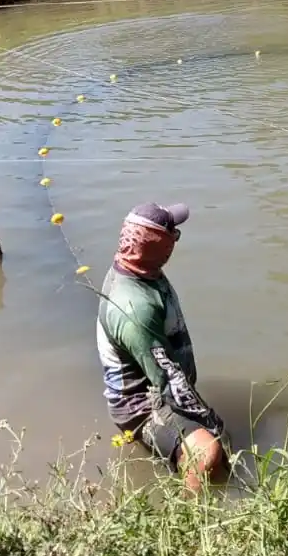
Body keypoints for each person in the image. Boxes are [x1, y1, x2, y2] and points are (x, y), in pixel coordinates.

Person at [95, 201, 229, 492]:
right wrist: (207, 420)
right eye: (174, 235)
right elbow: (166, 381)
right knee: (207, 453)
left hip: (158, 381)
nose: (176, 242)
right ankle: (191, 509)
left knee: (221, 456)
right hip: (141, 404)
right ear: (160, 246)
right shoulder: (135, 308)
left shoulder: (140, 270)